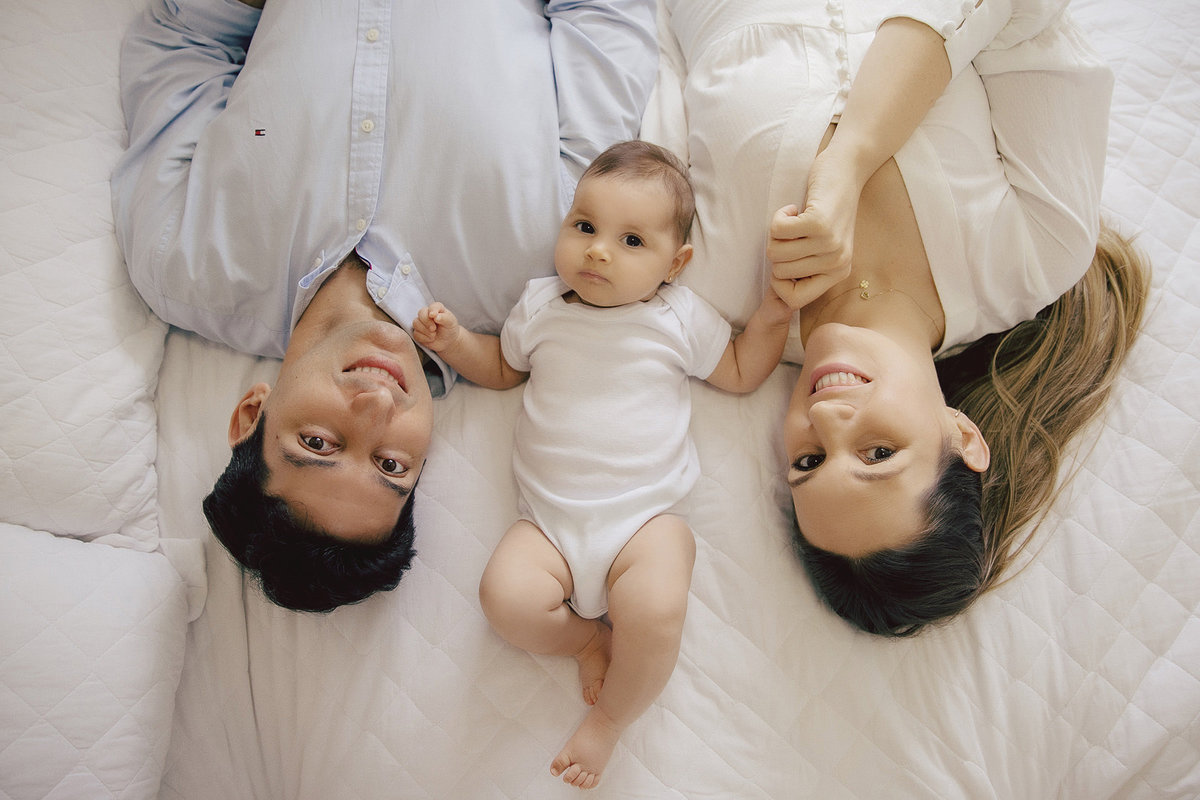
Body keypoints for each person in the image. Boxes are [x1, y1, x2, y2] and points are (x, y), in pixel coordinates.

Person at [110, 0, 657, 611]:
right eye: (391, 465)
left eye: (318, 443)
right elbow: (607, 23)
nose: (375, 406)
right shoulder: (557, 264)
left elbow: (181, 40)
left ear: (251, 415)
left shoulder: (181, 263)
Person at [647, 0, 1149, 636]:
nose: (825, 420)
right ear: (963, 435)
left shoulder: (697, 281)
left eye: (808, 462)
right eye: (878, 452)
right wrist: (849, 158)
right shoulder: (1037, 252)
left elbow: (651, 67)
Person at [412, 140, 793, 788]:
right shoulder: (541, 307)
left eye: (631, 241)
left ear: (675, 265)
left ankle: (609, 720)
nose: (597, 251)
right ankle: (587, 640)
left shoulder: (676, 317)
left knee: (657, 608)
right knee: (503, 599)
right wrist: (454, 344)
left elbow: (738, 370)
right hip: (549, 525)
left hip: (644, 523)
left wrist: (775, 313)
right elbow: (502, 368)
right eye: (585, 226)